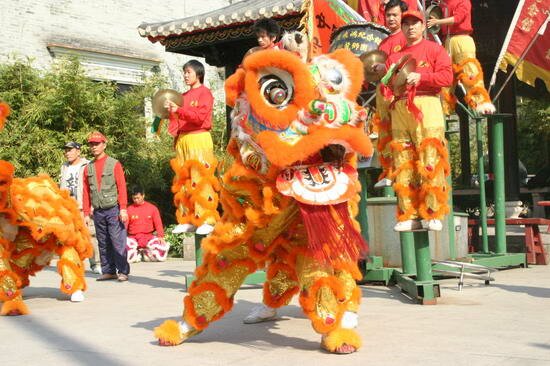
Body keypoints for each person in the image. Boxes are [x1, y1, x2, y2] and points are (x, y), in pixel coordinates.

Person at [384, 10, 453, 231]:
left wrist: (422, 77)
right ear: (401, 29)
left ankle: (433, 213)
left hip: (428, 105)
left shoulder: (435, 49)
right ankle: (408, 215)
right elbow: (388, 85)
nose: (411, 27)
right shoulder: (395, 57)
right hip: (401, 107)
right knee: (403, 159)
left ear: (423, 26)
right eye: (406, 24)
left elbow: (447, 77)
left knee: (429, 157)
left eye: (415, 23)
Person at [166, 60, 219, 236]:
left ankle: (207, 219)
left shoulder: (205, 93)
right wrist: (170, 111)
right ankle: (187, 218)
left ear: (199, 73)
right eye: (184, 72)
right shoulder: (182, 96)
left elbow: (199, 117)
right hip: (183, 139)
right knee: (183, 179)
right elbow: (178, 120)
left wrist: (179, 110)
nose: (185, 75)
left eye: (188, 72)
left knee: (200, 177)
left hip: (198, 137)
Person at [426, 0, 495, 114]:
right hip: (447, 41)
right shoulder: (442, 4)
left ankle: (481, 103)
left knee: (469, 72)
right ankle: (443, 108)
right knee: (445, 75)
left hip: (462, 39)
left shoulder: (463, 1)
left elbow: (457, 19)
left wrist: (438, 21)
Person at [82, 131, 130, 281]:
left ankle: (122, 271)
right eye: (91, 144)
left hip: (113, 209)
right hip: (98, 211)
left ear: (104, 144)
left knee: (117, 240)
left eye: (97, 144)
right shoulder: (87, 167)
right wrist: (85, 213)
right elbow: (85, 192)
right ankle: (108, 270)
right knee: (102, 241)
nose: (94, 147)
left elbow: (122, 187)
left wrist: (123, 208)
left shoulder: (114, 163)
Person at [372, 0, 410, 189]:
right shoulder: (384, 41)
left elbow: (405, 65)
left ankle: (402, 171)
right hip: (382, 92)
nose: (391, 18)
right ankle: (388, 171)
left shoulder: (406, 38)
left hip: (398, 93)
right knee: (385, 132)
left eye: (395, 15)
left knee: (399, 133)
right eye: (388, 15)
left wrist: (384, 67)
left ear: (403, 16)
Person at [60, 141, 102, 274]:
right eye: (66, 150)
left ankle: (96, 264)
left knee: (89, 235)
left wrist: (90, 206)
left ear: (78, 151)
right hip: (68, 207)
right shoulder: (64, 166)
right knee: (69, 237)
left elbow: (93, 186)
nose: (67, 153)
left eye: (70, 150)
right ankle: (74, 263)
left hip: (83, 207)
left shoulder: (88, 165)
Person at [126, 186, 169, 262]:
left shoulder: (152, 208)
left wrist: (160, 236)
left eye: (138, 198)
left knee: (161, 248)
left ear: (143, 195)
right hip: (133, 238)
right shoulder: (129, 209)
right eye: (134, 198)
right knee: (123, 247)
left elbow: (158, 224)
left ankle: (146, 253)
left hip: (148, 238)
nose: (136, 200)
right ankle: (137, 254)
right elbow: (124, 226)